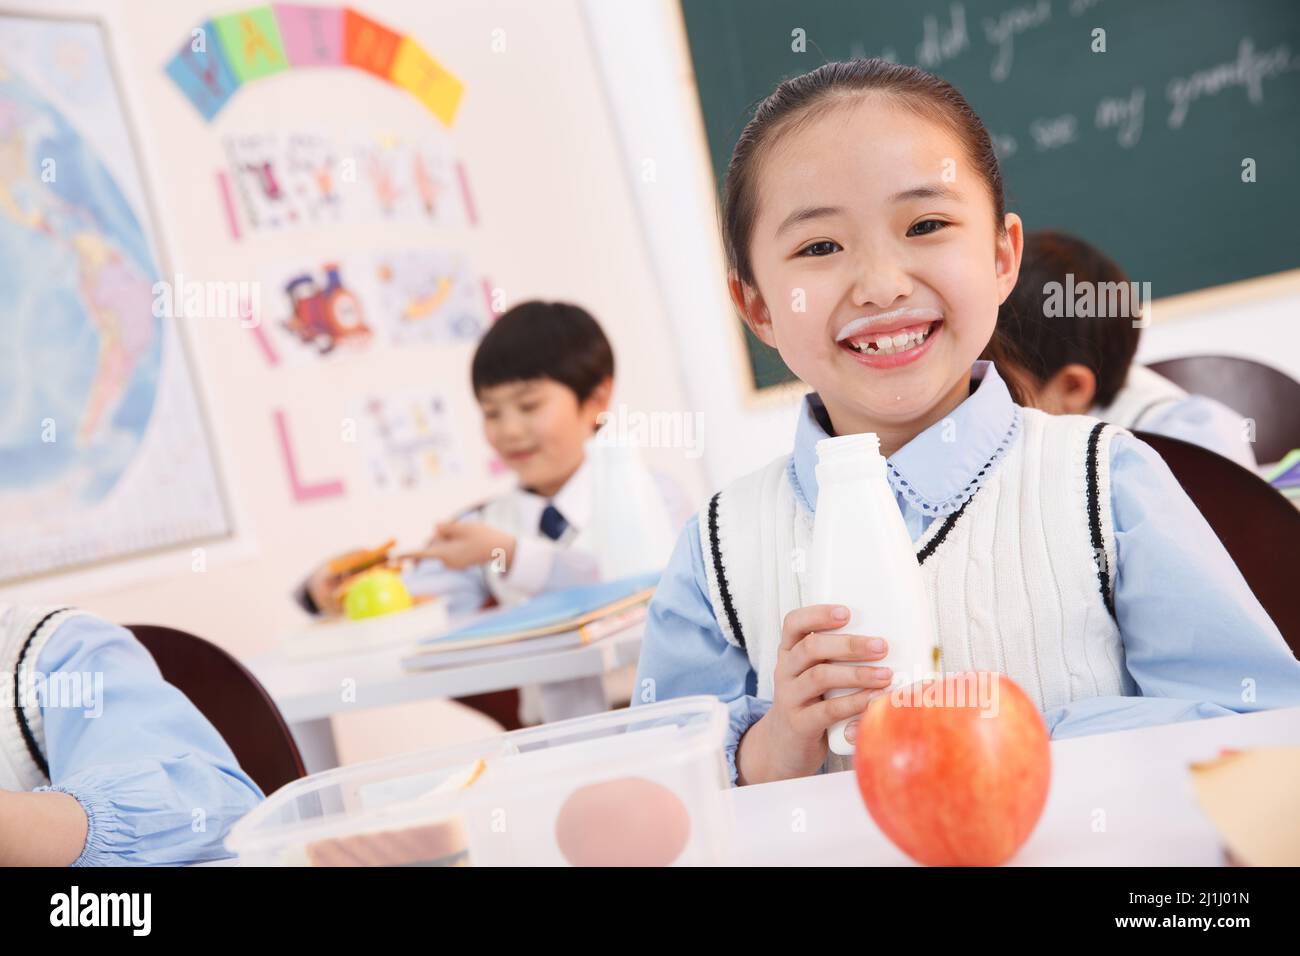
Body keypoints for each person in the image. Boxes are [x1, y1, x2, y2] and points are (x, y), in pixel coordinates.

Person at [632, 59, 1300, 787]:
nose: (882, 284)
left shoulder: (1107, 484)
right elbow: (659, 791)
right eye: (820, 247)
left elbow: (1260, 730)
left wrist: (1019, 737)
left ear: (1001, 254)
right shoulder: (717, 552)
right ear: (758, 306)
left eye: (926, 225)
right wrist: (769, 749)